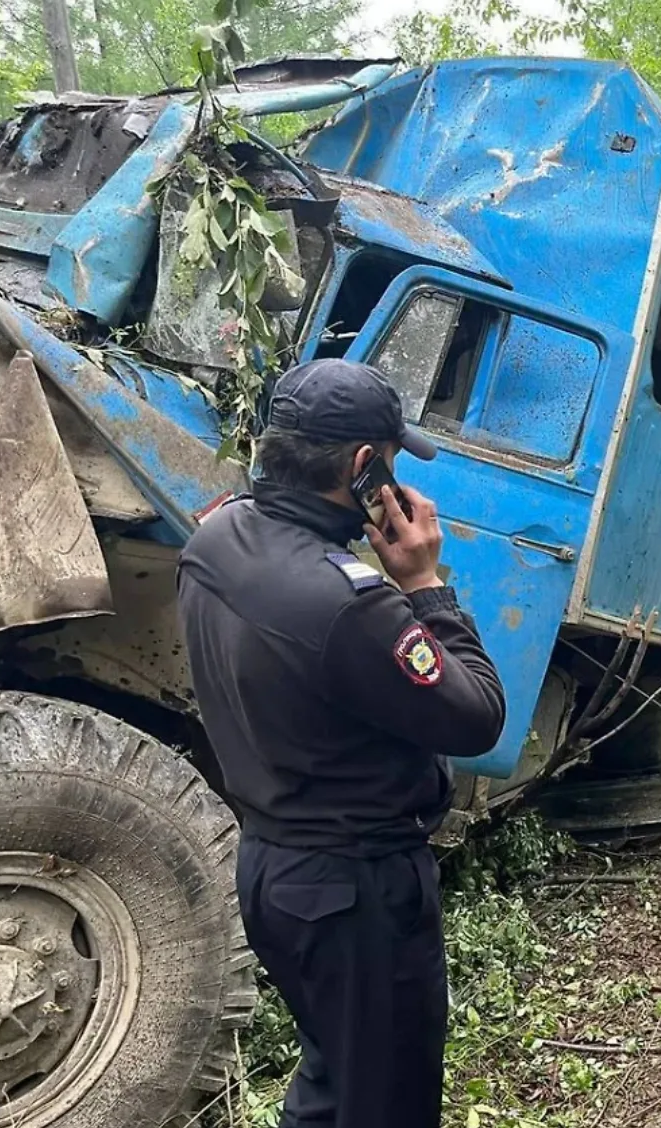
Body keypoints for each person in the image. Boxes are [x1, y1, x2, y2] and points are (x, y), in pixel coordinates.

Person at [177, 358, 507, 1128]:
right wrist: (424, 584)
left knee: (336, 1087)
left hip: (273, 871)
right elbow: (477, 716)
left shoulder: (218, 534)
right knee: (383, 1104)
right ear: (365, 468)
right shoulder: (347, 605)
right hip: (356, 892)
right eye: (390, 461)